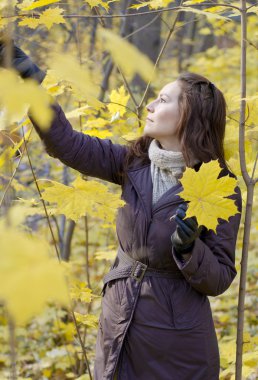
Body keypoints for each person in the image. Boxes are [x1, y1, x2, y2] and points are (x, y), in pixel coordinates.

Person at [0, 40, 242, 380]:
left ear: (189, 115)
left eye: (163, 99)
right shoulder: (131, 163)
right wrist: (29, 83)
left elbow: (219, 278)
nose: (150, 106)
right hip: (118, 327)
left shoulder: (221, 186)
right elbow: (65, 142)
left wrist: (189, 250)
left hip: (178, 347)